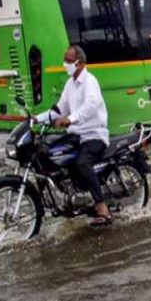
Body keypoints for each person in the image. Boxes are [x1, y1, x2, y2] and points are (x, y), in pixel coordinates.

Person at [34, 45, 111, 226]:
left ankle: (102, 208)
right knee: (49, 152)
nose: (66, 64)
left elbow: (91, 106)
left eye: (69, 61)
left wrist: (70, 119)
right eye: (65, 61)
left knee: (82, 162)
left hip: (94, 134)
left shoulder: (90, 82)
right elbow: (59, 109)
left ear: (80, 63)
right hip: (76, 135)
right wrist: (36, 119)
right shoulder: (70, 84)